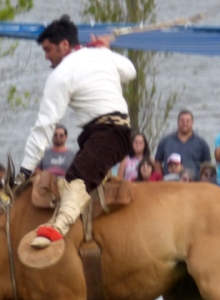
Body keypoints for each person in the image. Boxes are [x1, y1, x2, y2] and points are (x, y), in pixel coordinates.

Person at [19, 15, 136, 249]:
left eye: (48, 50)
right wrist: (106, 50)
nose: (46, 57)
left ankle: (56, 230)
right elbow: (130, 71)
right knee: (74, 180)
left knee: (75, 183)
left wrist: (23, 171)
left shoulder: (60, 76)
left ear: (64, 45)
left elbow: (44, 127)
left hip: (107, 134)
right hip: (111, 133)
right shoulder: (100, 55)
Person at [154, 110, 211, 178]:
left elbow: (207, 165)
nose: (184, 123)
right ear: (177, 122)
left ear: (192, 122)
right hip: (170, 182)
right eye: (182, 120)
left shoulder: (201, 143)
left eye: (187, 121)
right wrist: (160, 178)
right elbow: (157, 161)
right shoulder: (165, 141)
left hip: (194, 184)